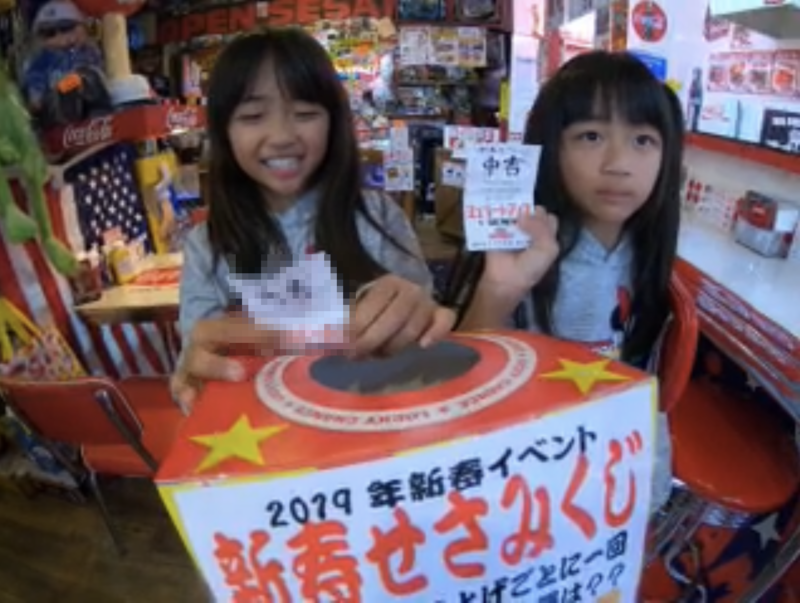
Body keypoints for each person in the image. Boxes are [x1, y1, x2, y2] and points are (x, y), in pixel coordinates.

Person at [172, 28, 453, 410]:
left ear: (333, 123)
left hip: (373, 422)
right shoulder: (207, 246)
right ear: (224, 132)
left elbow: (426, 346)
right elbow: (196, 372)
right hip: (262, 431)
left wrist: (418, 317)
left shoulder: (377, 216)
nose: (281, 136)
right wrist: (194, 377)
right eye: (252, 116)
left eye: (305, 114)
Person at [459, 51, 684, 512]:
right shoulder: (519, 247)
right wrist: (499, 293)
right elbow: (461, 380)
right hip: (526, 479)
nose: (619, 163)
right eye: (591, 136)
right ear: (550, 147)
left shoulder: (648, 250)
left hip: (614, 470)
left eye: (643, 140)